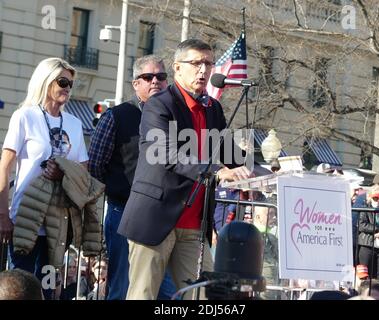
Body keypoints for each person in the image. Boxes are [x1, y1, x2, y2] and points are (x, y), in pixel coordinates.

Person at [118, 39, 252, 300]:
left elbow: (232, 156)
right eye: (196, 63)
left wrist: (271, 171)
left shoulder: (213, 109)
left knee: (204, 298)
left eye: (208, 63)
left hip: (194, 226)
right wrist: (216, 171)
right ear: (177, 68)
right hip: (156, 219)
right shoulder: (159, 105)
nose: (203, 70)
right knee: (143, 295)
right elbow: (164, 153)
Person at [0, 57, 93, 298]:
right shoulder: (25, 116)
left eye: (70, 83)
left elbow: (83, 170)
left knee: (50, 288)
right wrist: (3, 215)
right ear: (45, 80)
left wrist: (63, 171)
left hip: (59, 223)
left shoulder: (73, 123)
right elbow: (5, 167)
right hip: (25, 218)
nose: (67, 88)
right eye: (62, 81)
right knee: (20, 288)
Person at [88, 55, 176, 300]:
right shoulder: (117, 116)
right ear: (136, 83)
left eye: (161, 76)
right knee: (122, 287)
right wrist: (118, 189)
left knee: (167, 292)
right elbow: (95, 165)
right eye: (148, 77)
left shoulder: (175, 119)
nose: (155, 81)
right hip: (123, 212)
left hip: (165, 216)